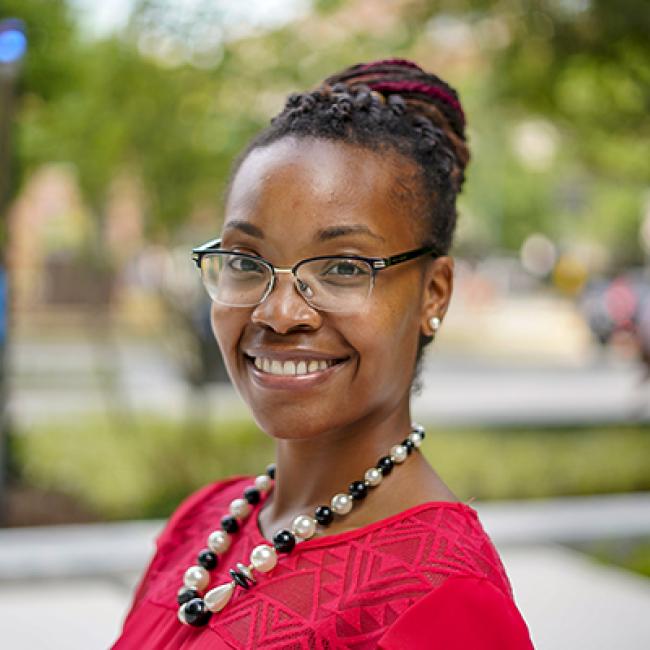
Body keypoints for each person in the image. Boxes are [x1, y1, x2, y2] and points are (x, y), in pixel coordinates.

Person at [112, 58, 534, 649]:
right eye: (244, 261)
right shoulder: (202, 522)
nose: (279, 313)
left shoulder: (442, 601)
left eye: (342, 268)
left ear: (433, 293)